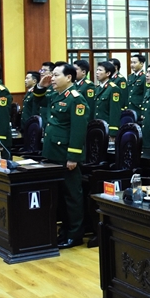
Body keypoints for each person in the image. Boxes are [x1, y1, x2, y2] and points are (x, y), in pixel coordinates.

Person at [40, 63, 90, 249]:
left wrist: (73, 157)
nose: (52, 78)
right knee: (60, 195)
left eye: (56, 75)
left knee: (72, 196)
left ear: (69, 77)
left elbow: (78, 130)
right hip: (53, 152)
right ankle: (65, 231)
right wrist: (41, 87)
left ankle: (75, 234)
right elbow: (37, 101)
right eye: (52, 75)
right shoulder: (57, 95)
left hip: (66, 155)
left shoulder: (76, 99)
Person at [93, 61, 122, 138]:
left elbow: (114, 112)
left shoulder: (113, 89)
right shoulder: (98, 88)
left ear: (108, 73)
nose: (97, 72)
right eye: (97, 70)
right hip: (97, 127)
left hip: (106, 128)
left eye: (100, 70)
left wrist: (112, 132)